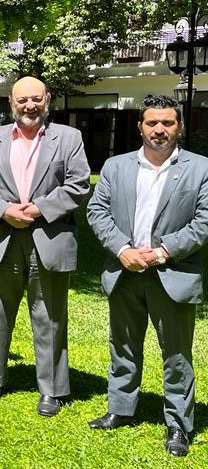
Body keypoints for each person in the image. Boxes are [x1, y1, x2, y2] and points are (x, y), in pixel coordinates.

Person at [86, 95, 208, 458]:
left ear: (180, 127)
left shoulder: (201, 168)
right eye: (152, 123)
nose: (159, 129)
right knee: (122, 345)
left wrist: (161, 251)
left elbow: (204, 221)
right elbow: (97, 210)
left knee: (176, 355)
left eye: (168, 123)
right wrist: (122, 249)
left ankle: (178, 424)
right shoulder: (116, 166)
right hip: (125, 271)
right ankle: (121, 408)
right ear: (139, 126)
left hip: (173, 273)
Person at [0, 75, 89, 416]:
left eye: (36, 99)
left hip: (47, 237)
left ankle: (51, 388)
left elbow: (78, 185)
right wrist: (5, 210)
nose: (29, 106)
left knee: (49, 316)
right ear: (11, 103)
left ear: (47, 99)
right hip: (1, 237)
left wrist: (37, 210)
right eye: (22, 100)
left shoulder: (69, 138)